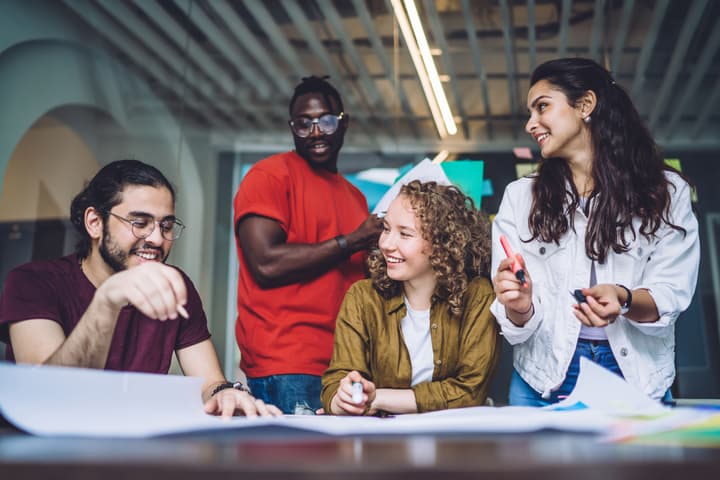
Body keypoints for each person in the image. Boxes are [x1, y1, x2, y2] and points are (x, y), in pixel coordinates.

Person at [491, 58, 700, 406]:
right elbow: (516, 320)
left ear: (585, 105)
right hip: (542, 380)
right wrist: (519, 305)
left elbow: (671, 293)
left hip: (635, 377)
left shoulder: (667, 191)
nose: (531, 123)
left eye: (542, 107)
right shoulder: (520, 197)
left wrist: (624, 299)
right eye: (530, 113)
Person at [0, 159, 280, 418]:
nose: (157, 239)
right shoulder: (32, 282)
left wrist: (226, 393)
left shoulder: (175, 285)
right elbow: (47, 393)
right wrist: (107, 302)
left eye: (167, 226)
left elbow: (210, 383)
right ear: (95, 223)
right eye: (140, 223)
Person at [233, 76, 383, 413]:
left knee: (337, 465)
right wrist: (353, 240)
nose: (315, 132)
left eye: (326, 121)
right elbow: (266, 264)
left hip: (344, 363)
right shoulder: (269, 176)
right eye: (304, 124)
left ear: (343, 123)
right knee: (297, 464)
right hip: (287, 361)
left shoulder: (355, 196)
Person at [321, 180, 500, 415]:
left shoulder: (477, 296)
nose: (385, 244)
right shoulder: (362, 298)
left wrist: (377, 398)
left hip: (454, 442)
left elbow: (469, 392)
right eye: (386, 229)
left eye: (404, 234)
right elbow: (336, 383)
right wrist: (343, 399)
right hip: (384, 445)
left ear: (442, 244)